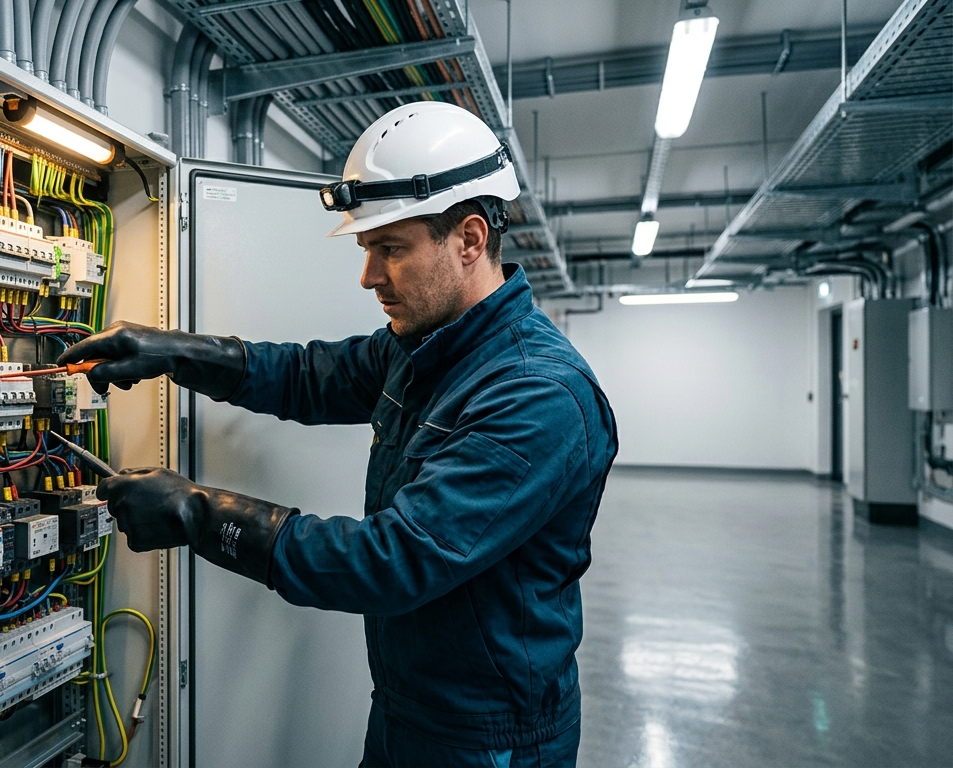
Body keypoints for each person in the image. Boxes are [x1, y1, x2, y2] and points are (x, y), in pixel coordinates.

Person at [57, 101, 618, 767]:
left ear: (469, 239)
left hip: (487, 739)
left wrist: (196, 512)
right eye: (367, 250)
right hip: (409, 707)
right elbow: (306, 376)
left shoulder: (536, 396)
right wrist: (172, 352)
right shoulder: (424, 348)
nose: (369, 276)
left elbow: (395, 559)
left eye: (391, 249)